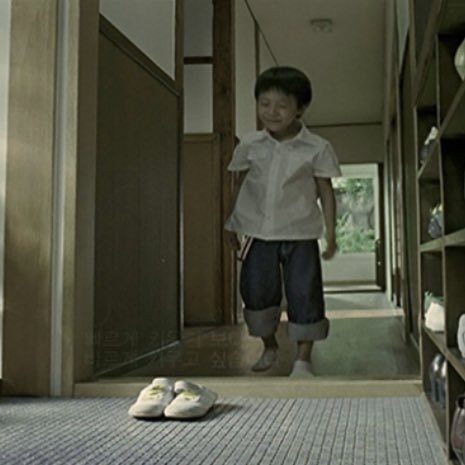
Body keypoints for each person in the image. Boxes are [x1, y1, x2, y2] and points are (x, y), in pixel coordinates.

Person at [224, 66, 341, 378]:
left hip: (301, 233)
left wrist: (332, 235)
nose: (271, 112)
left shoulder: (317, 147)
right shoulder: (250, 145)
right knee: (256, 293)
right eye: (264, 104)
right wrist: (231, 222)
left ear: (299, 109)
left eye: (282, 105)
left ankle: (303, 360)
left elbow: (326, 191)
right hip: (258, 232)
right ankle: (270, 345)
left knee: (305, 293)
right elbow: (240, 184)